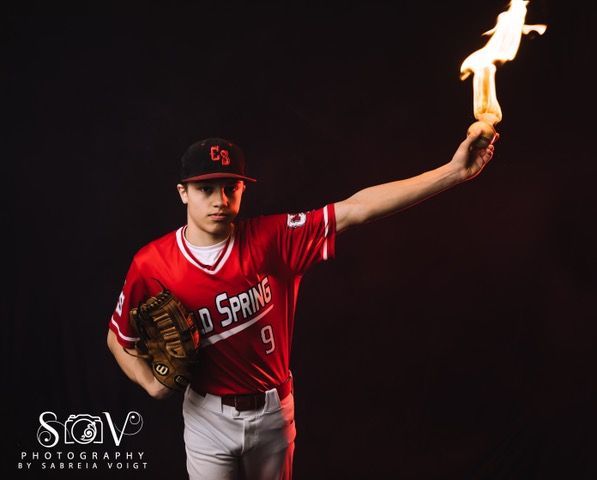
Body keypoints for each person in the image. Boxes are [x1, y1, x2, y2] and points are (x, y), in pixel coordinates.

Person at [107, 130, 496, 480]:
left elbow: (356, 208)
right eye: (206, 189)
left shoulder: (273, 239)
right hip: (207, 415)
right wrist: (148, 383)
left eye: (231, 188)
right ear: (183, 193)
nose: (220, 200)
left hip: (273, 412)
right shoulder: (152, 263)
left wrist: (453, 172)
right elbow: (117, 337)